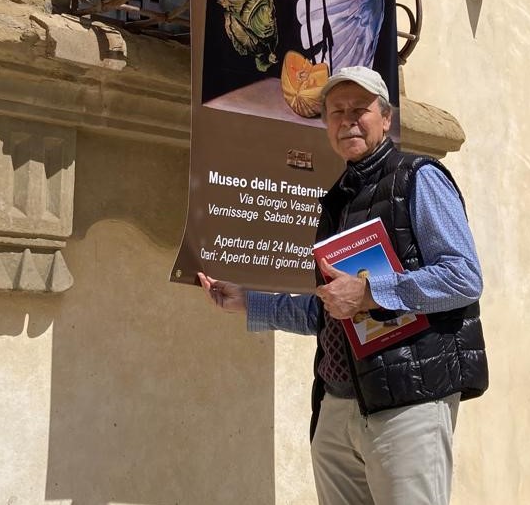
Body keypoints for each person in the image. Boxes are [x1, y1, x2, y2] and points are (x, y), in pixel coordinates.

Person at [198, 66, 487, 505]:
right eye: (336, 111)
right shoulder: (337, 198)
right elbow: (328, 312)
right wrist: (247, 302)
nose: (347, 119)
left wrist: (371, 292)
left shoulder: (418, 177)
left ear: (386, 118)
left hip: (407, 401)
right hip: (338, 405)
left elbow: (463, 277)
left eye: (360, 109)